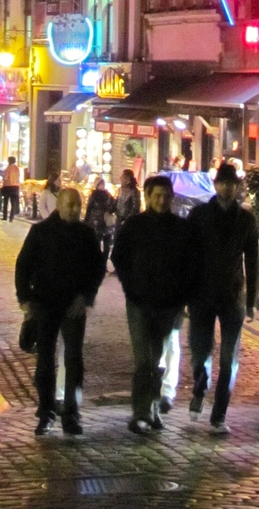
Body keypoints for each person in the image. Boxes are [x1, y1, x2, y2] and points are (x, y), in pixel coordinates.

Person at [15, 187, 105, 437]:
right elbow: (23, 265)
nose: (76, 210)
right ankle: (46, 412)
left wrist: (86, 297)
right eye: (70, 205)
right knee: (45, 361)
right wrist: (25, 299)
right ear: (59, 206)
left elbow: (96, 269)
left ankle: (71, 413)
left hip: (73, 305)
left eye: (78, 205)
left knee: (74, 360)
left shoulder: (87, 234)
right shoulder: (41, 232)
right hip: (45, 302)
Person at [112, 175, 196, 434]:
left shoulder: (180, 228)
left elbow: (189, 266)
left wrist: (181, 295)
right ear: (147, 197)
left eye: (166, 196)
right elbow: (119, 257)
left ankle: (152, 408)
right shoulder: (135, 225)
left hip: (167, 305)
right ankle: (141, 411)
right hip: (139, 302)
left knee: (157, 359)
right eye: (157, 196)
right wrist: (130, 286)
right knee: (143, 360)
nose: (161, 201)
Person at [186, 162, 259, 435]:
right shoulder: (200, 215)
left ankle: (219, 414)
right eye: (223, 183)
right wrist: (186, 292)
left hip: (232, 296)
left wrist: (251, 299)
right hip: (202, 294)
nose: (227, 188)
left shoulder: (246, 220)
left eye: (232, 183)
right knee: (200, 351)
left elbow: (251, 260)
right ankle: (199, 388)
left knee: (229, 359)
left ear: (238, 187)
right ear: (215, 185)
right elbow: (189, 255)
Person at [84, 177, 116, 267]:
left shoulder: (108, 195)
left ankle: (103, 264)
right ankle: (97, 264)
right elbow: (89, 209)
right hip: (96, 223)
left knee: (107, 246)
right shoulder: (93, 196)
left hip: (107, 223)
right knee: (97, 245)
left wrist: (110, 210)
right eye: (101, 184)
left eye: (103, 184)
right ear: (97, 185)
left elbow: (113, 206)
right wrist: (87, 222)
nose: (102, 186)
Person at [114, 169, 141, 239]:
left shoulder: (134, 191)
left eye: (122, 176)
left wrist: (127, 220)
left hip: (128, 222)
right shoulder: (120, 189)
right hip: (119, 219)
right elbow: (117, 201)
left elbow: (135, 208)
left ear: (127, 178)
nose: (120, 178)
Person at [0, 156, 21, 221]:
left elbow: (5, 178)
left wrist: (3, 177)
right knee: (13, 203)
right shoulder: (17, 168)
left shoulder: (8, 168)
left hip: (8, 186)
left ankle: (5, 217)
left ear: (9, 161)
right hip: (16, 186)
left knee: (5, 202)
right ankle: (11, 217)